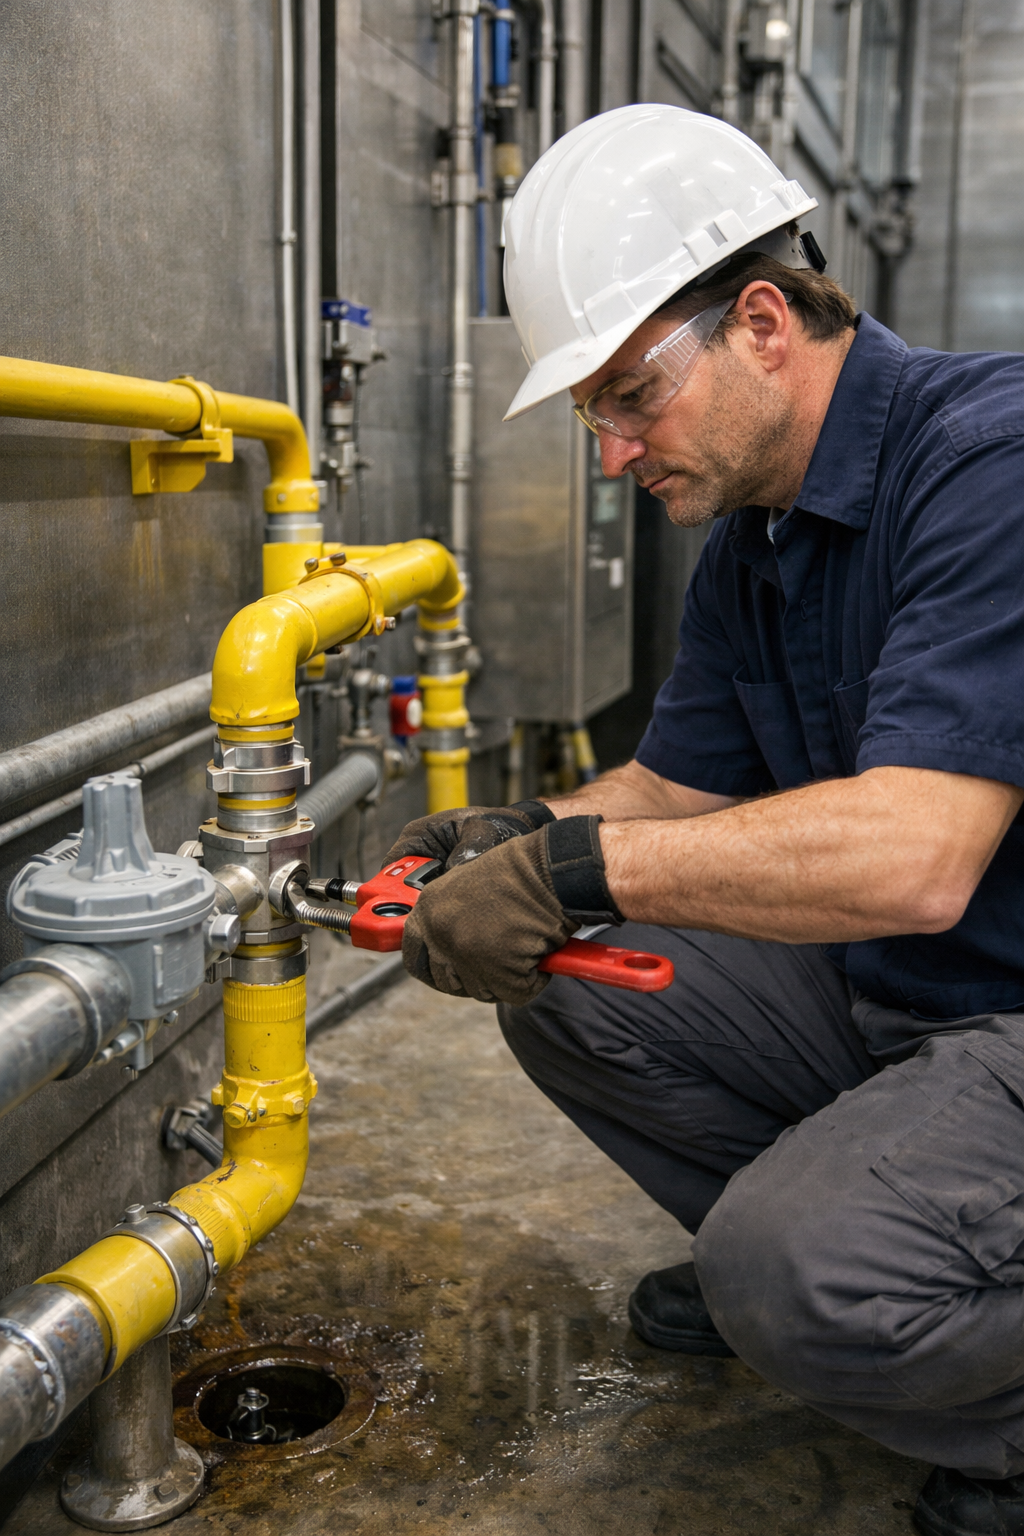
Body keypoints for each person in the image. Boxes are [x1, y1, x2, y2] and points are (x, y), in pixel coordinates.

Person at [387, 106, 1024, 1536]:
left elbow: (919, 857)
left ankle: (913, 1342)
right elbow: (673, 792)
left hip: (1004, 991)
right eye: (591, 413)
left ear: (760, 321)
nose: (611, 453)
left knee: (794, 1270)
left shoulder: (993, 465)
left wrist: (573, 866)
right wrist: (510, 834)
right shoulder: (758, 540)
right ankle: (846, 1255)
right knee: (571, 993)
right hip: (909, 995)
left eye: (629, 396)